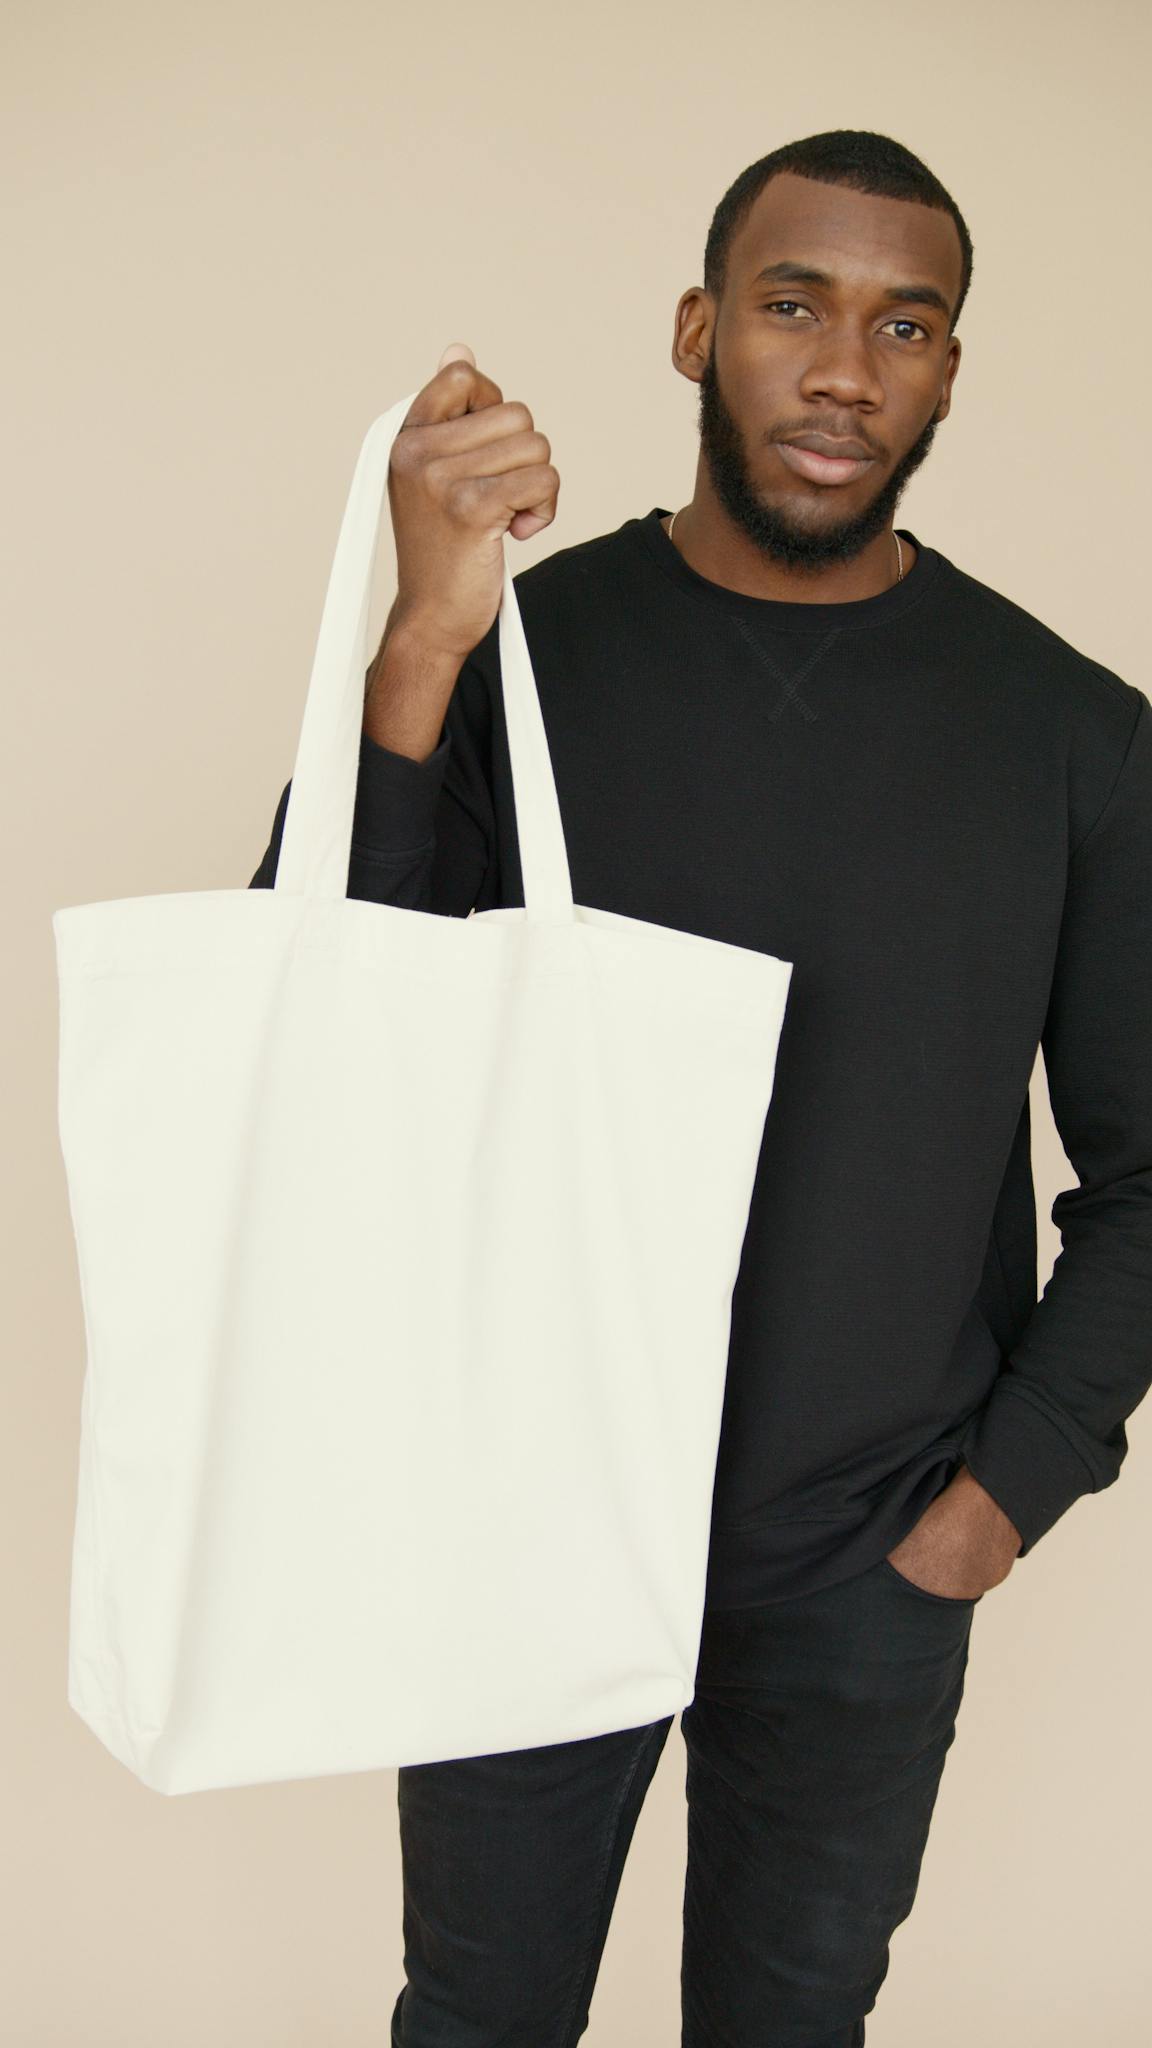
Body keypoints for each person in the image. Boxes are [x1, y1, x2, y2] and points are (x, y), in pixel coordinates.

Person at [249, 128, 1152, 2048]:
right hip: (527, 1516)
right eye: (793, 304)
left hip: (868, 1546)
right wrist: (420, 629)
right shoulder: (512, 652)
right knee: (477, 2020)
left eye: (905, 324)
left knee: (790, 2026)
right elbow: (312, 1003)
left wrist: (1007, 1491)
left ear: (949, 373)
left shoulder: (1073, 734)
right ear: (696, 331)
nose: (847, 366)